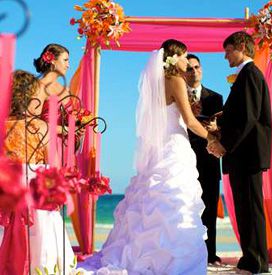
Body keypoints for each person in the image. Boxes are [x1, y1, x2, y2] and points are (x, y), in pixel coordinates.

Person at [79, 39, 216, 274]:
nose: (187, 60)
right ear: (174, 58)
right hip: (174, 148)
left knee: (150, 203)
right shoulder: (175, 81)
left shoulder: (156, 84)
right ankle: (172, 262)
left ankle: (145, 256)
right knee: (176, 202)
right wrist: (212, 140)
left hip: (158, 150)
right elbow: (191, 122)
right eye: (184, 56)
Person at [208, 31, 272, 274]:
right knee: (244, 207)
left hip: (248, 153)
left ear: (242, 47)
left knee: (251, 208)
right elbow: (241, 114)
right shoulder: (245, 76)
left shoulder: (250, 75)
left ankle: (257, 261)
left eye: (228, 50)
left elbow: (249, 117)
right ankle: (250, 257)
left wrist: (225, 144)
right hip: (242, 154)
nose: (225, 56)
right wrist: (221, 124)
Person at [0, 70, 75, 274]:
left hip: (12, 193)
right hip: (37, 192)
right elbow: (53, 165)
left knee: (15, 238)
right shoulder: (40, 126)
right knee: (44, 241)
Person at [186, 54, 223, 264]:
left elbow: (223, 129)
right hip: (184, 159)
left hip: (209, 160)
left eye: (197, 67)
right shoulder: (177, 96)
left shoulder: (215, 98)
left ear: (202, 69)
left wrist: (216, 129)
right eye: (189, 68)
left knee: (209, 207)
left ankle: (210, 253)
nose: (194, 72)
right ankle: (189, 251)